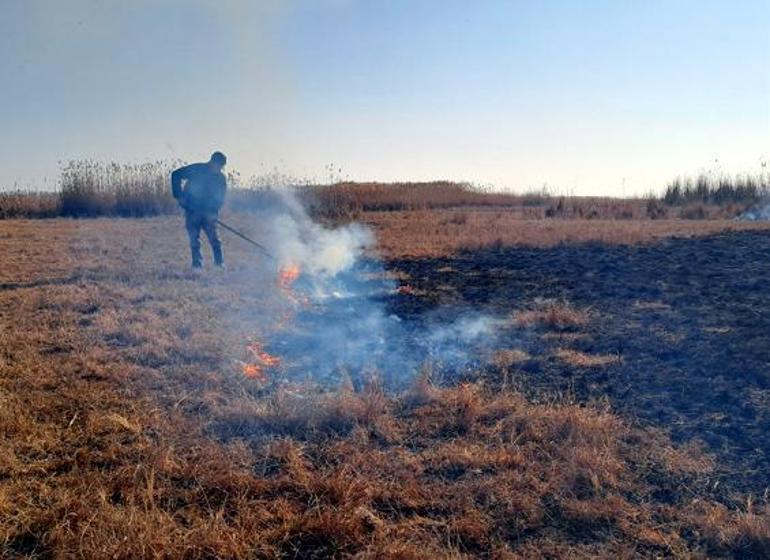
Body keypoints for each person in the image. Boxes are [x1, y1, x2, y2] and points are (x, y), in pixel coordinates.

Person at [171, 152, 228, 269]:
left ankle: (219, 264)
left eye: (222, 167)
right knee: (194, 241)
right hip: (192, 211)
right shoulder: (197, 169)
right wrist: (179, 196)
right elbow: (175, 175)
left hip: (209, 214)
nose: (220, 169)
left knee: (215, 240)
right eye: (219, 166)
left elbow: (220, 198)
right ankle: (197, 266)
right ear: (213, 162)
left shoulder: (221, 179)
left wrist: (213, 213)